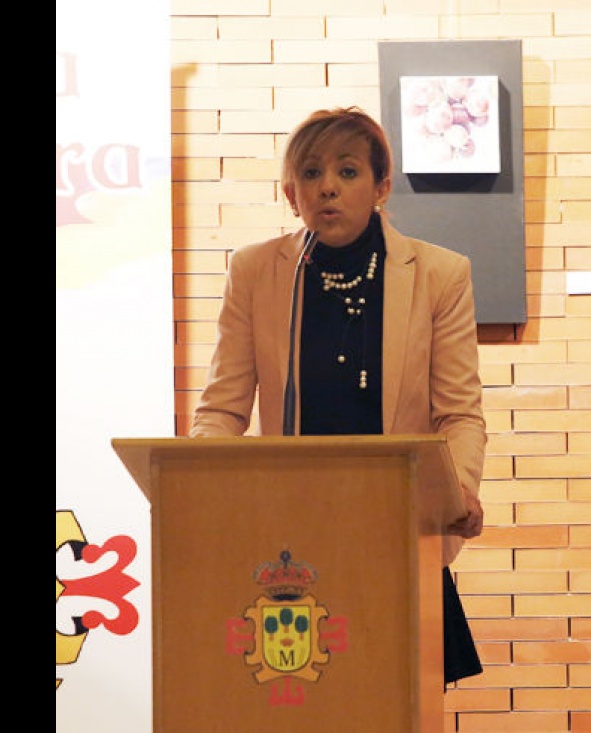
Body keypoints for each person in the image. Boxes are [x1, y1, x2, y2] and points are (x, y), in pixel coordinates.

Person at [190, 106, 487, 685]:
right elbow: (222, 410)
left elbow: (459, 413)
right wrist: (205, 491)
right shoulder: (256, 272)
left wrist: (459, 491)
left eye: (348, 172)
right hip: (285, 543)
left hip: (396, 533)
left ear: (381, 185)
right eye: (310, 172)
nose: (327, 186)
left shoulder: (439, 274)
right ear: (289, 192)